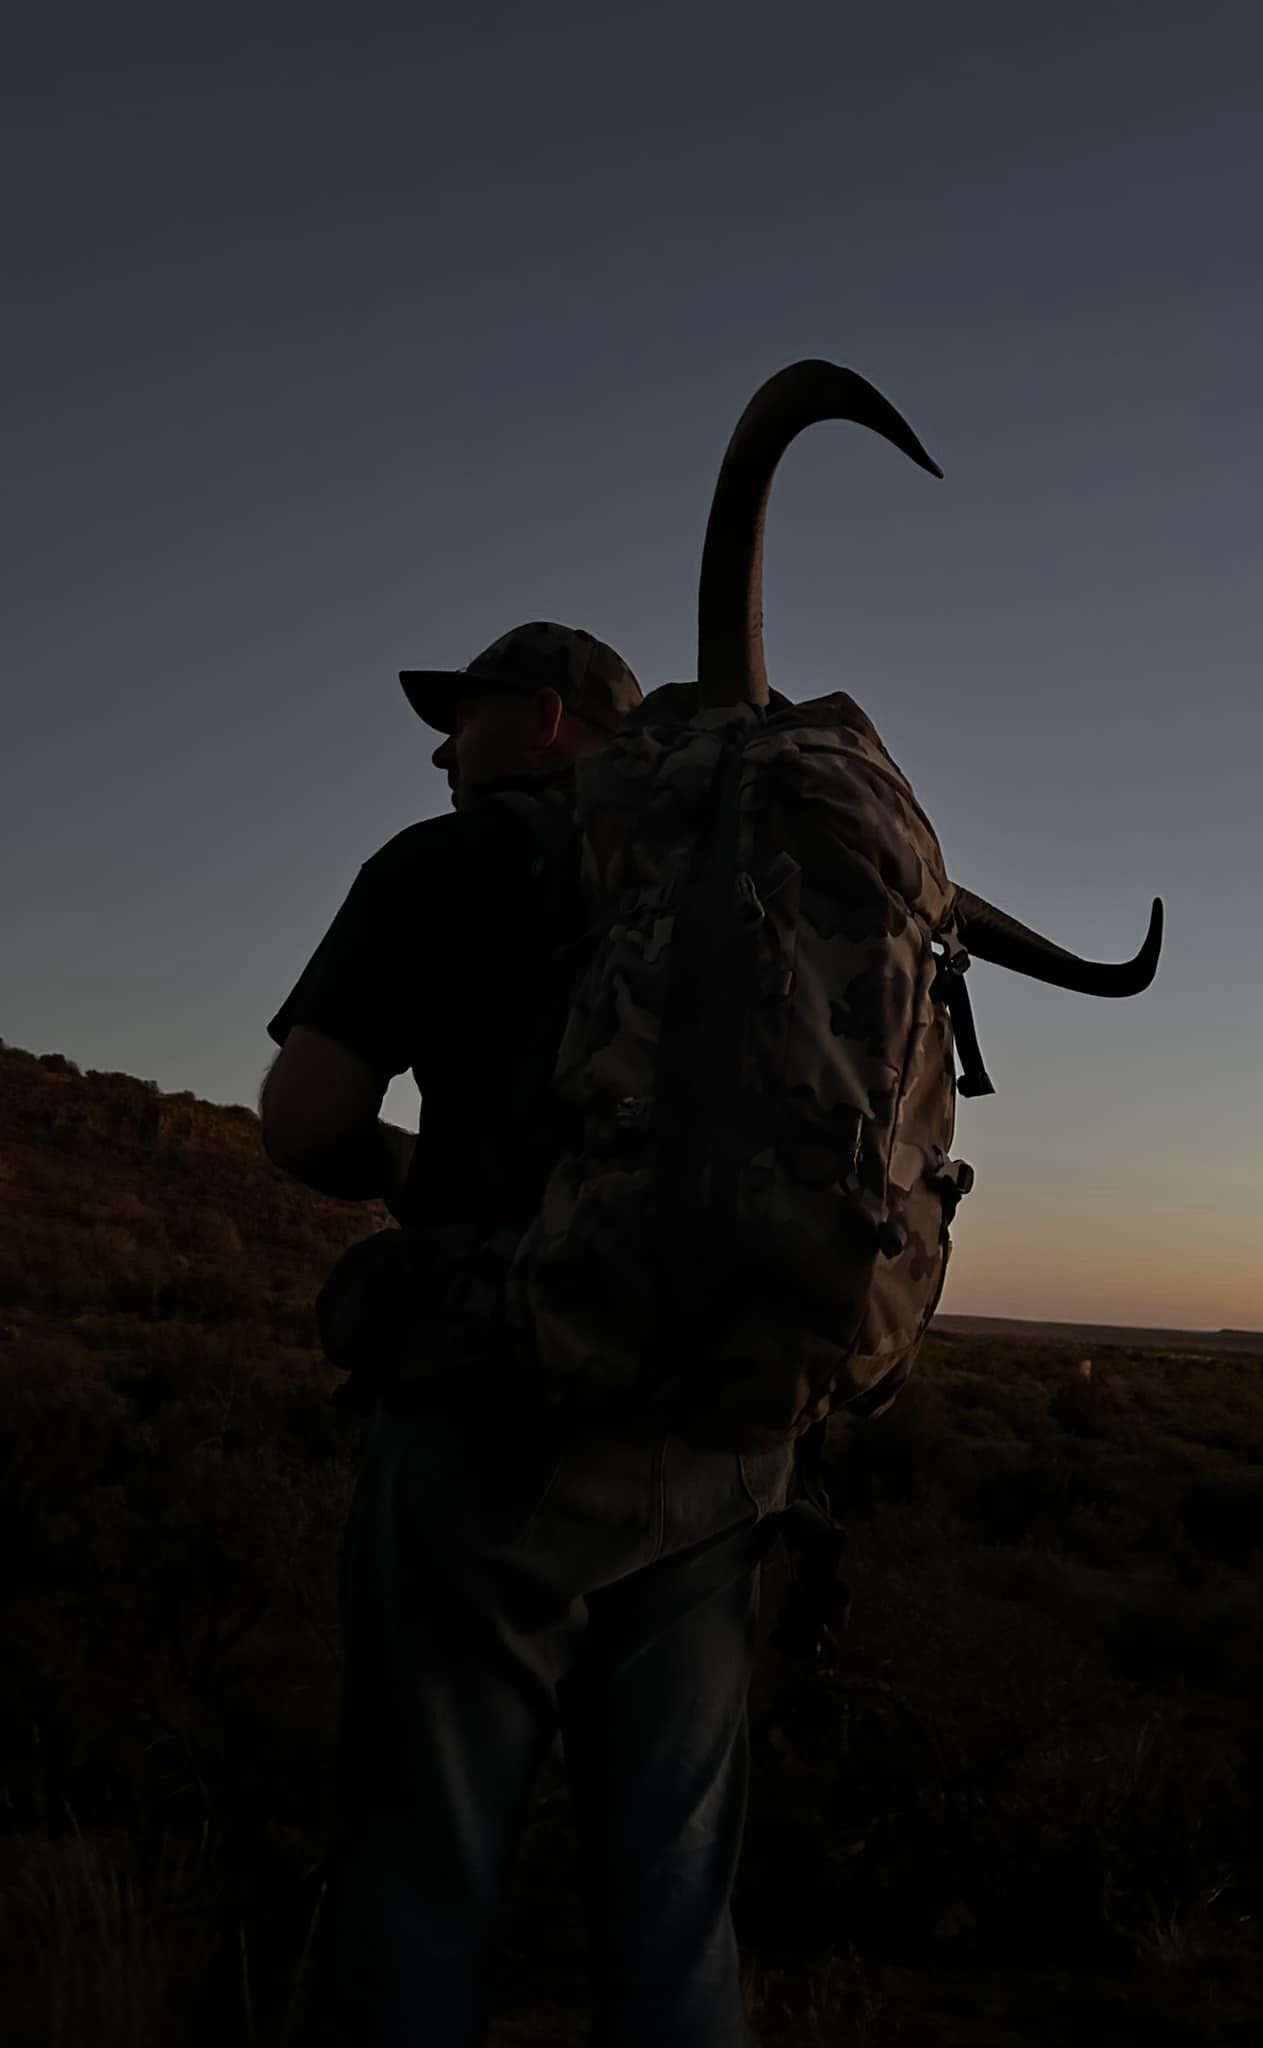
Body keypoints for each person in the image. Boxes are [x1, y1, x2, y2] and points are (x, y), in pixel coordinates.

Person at [261, 621, 795, 2048]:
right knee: (676, 1905)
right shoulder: (738, 877)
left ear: (550, 721)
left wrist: (402, 1176)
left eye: (469, 715)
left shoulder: (442, 867)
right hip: (716, 1447)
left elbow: (302, 1120)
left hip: (495, 1433)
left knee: (419, 1888)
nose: (442, 747)